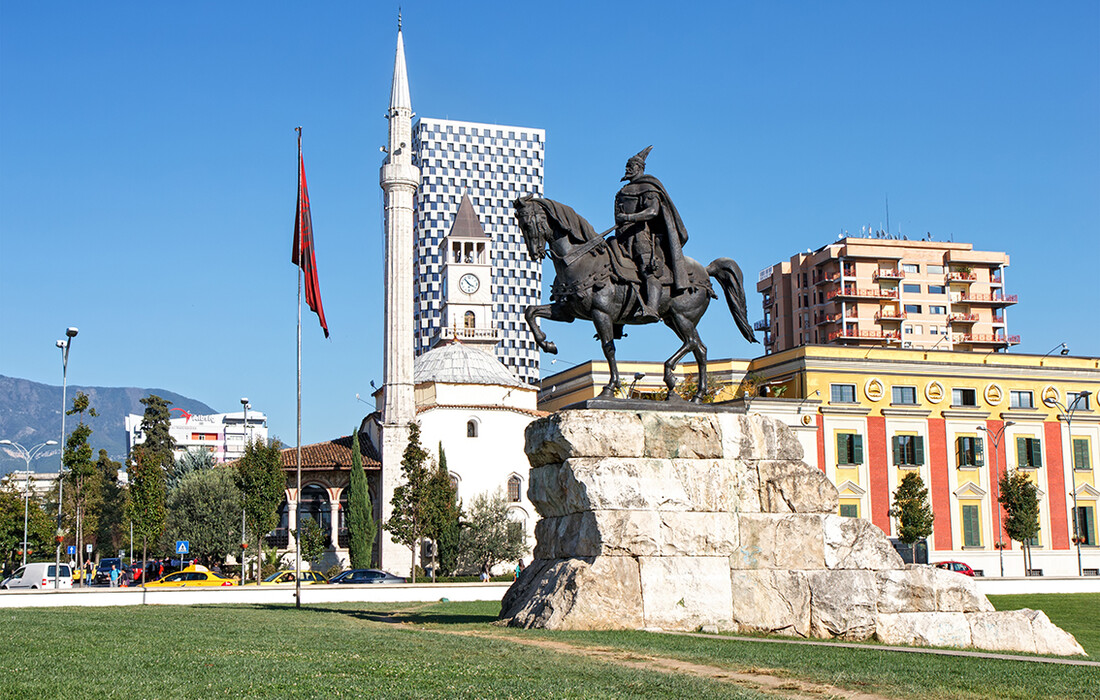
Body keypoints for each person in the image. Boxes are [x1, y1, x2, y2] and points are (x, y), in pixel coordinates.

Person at [613, 146, 690, 322]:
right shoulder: (622, 191)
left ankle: (652, 308)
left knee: (648, 270)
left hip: (642, 236)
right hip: (622, 236)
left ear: (640, 168)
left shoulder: (648, 187)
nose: (627, 168)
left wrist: (629, 217)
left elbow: (653, 212)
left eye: (631, 165)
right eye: (627, 165)